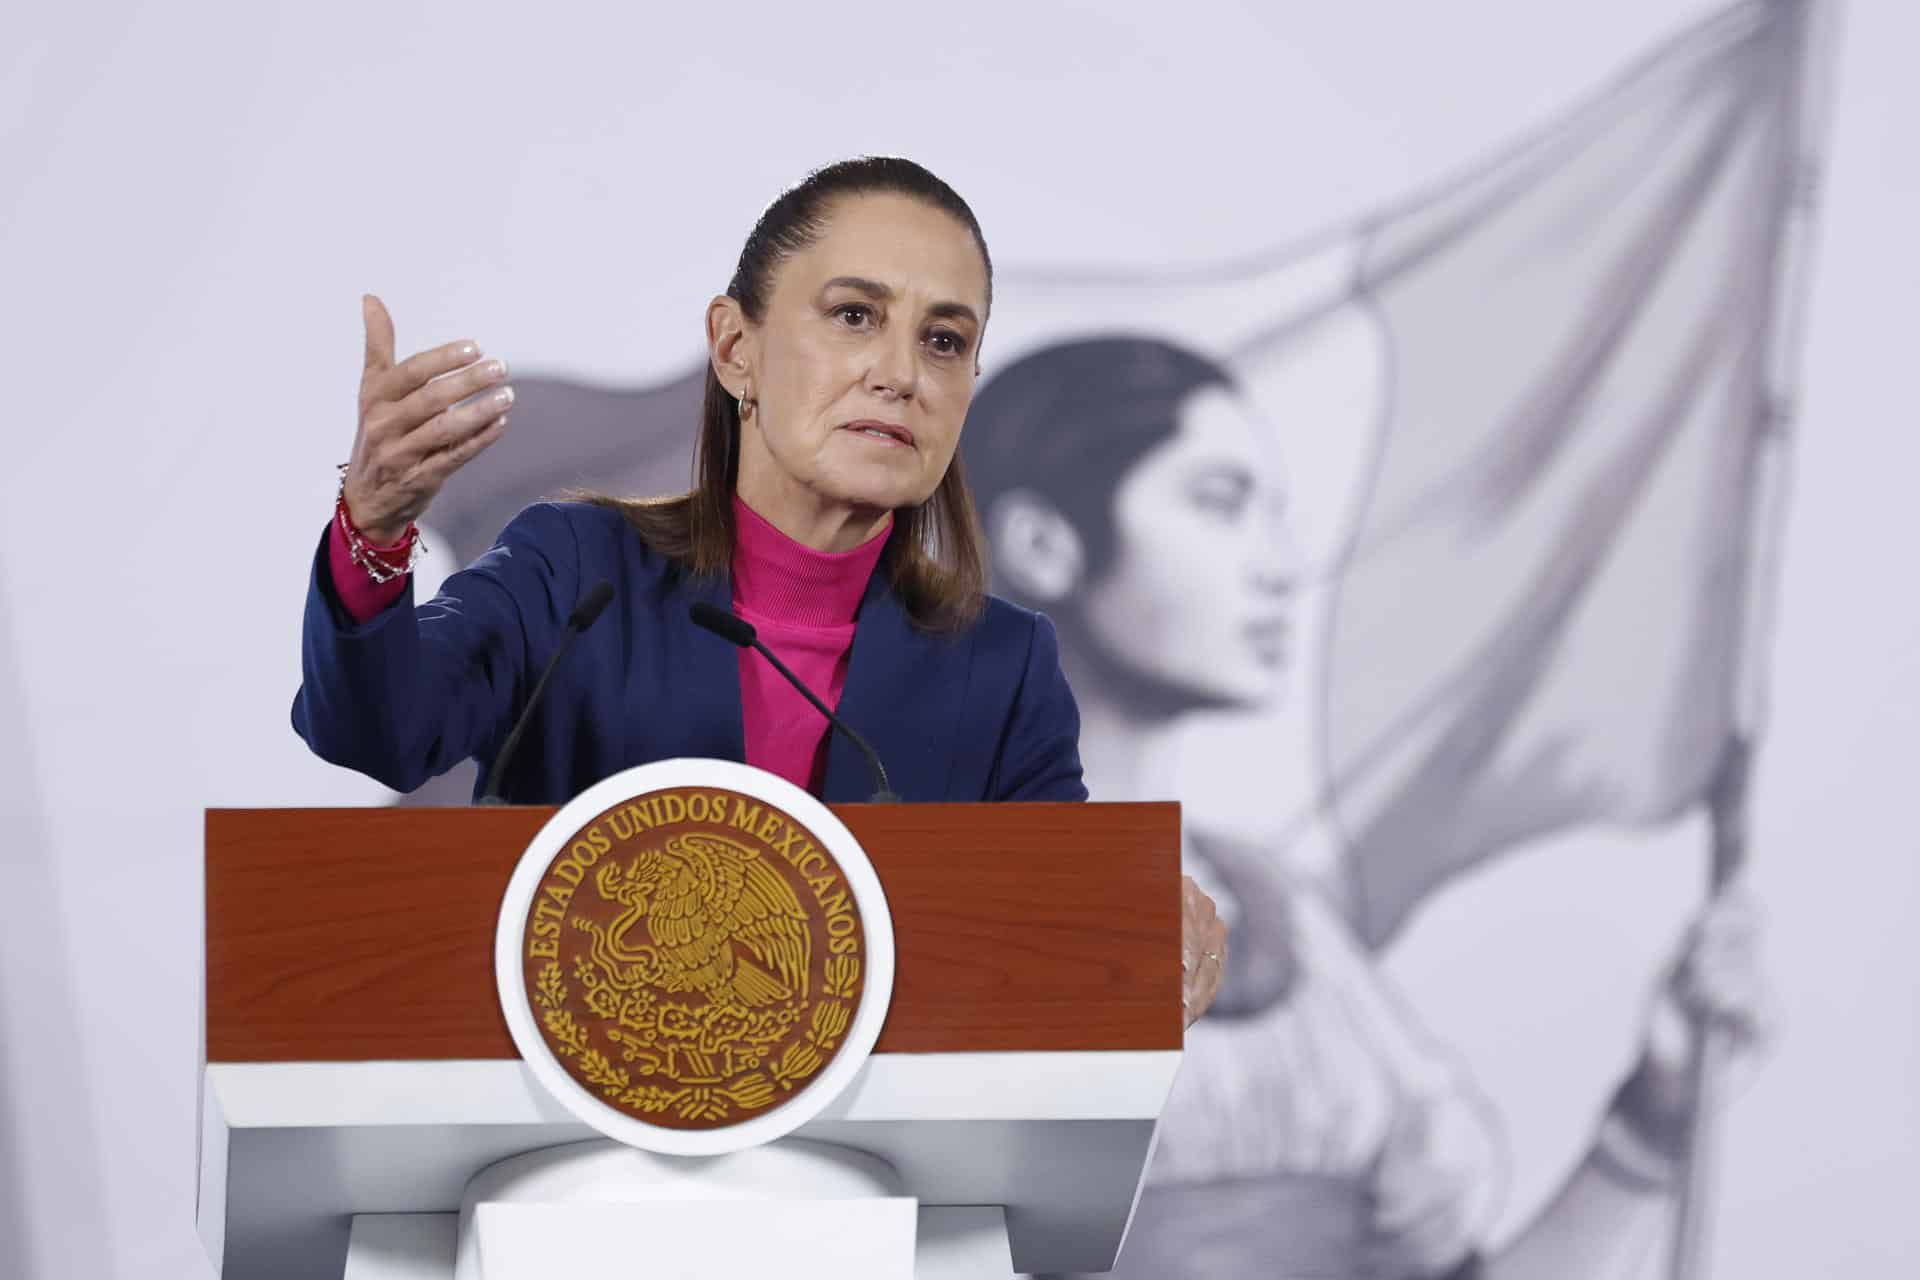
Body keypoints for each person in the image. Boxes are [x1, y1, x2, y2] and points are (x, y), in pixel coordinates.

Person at [292, 158, 1229, 1025]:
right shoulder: (578, 572)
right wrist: (372, 532)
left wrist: (1128, 915)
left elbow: (1049, 926)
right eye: (854, 316)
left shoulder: (1002, 664)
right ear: (736, 347)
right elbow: (375, 729)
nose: (901, 375)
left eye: (944, 341)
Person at [963, 337, 1769, 1279]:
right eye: (1220, 502)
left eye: (1275, 515)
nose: (1279, 566)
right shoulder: (918, 912)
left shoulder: (1283, 916)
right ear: (1043, 544)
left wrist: (1652, 1121)